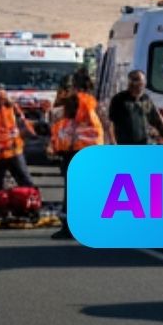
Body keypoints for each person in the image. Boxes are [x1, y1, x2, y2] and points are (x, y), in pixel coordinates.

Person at [52, 70, 105, 241]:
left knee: (71, 192)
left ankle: (69, 228)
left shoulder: (74, 101)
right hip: (92, 149)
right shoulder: (90, 101)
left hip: (76, 150)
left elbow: (62, 119)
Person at [0, 84, 37, 191]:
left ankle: (29, 200)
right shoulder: (1, 109)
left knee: (17, 182)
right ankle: (29, 200)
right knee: (20, 181)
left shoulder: (9, 108)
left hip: (8, 151)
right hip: (3, 152)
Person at [107, 70, 163, 146]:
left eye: (142, 83)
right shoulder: (119, 99)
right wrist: (112, 141)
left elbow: (156, 119)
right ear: (130, 83)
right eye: (135, 81)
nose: (140, 85)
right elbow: (110, 123)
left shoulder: (145, 99)